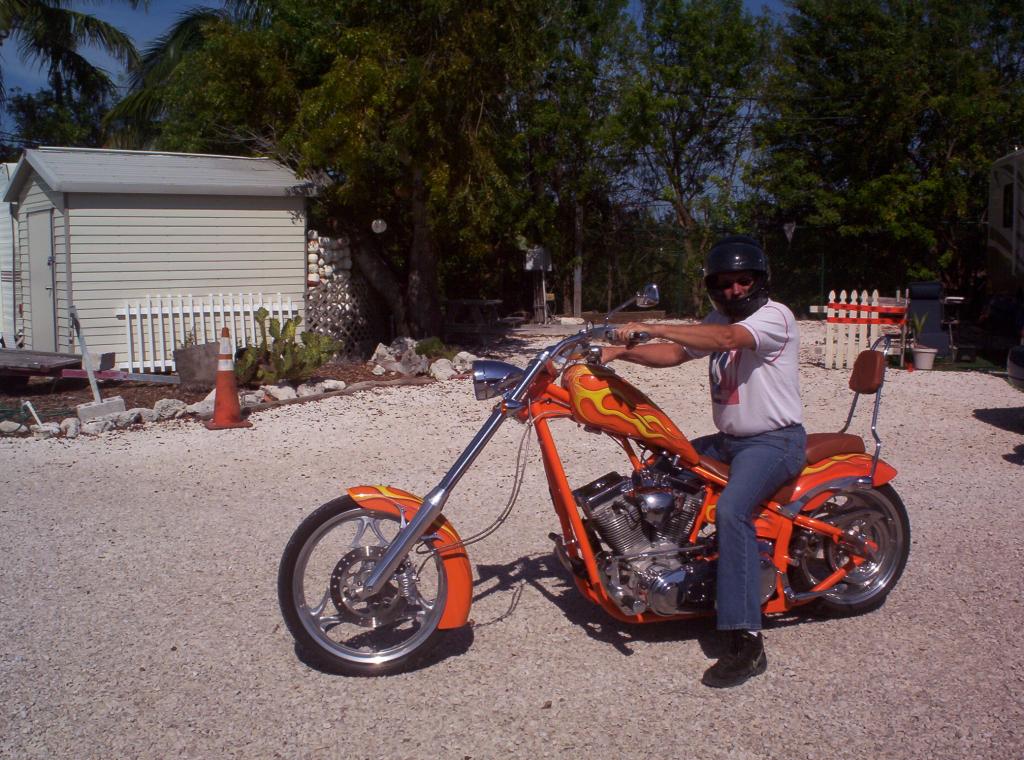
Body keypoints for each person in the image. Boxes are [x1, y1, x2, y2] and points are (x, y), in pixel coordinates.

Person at [602, 234, 806, 688]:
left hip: (774, 442)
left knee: (733, 511)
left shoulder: (774, 317)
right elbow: (676, 353)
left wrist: (654, 326)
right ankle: (663, 568)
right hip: (729, 441)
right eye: (724, 282)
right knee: (659, 470)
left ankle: (746, 641)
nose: (734, 289)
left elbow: (727, 338)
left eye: (743, 280)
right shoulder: (717, 319)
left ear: (759, 280)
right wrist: (620, 353)